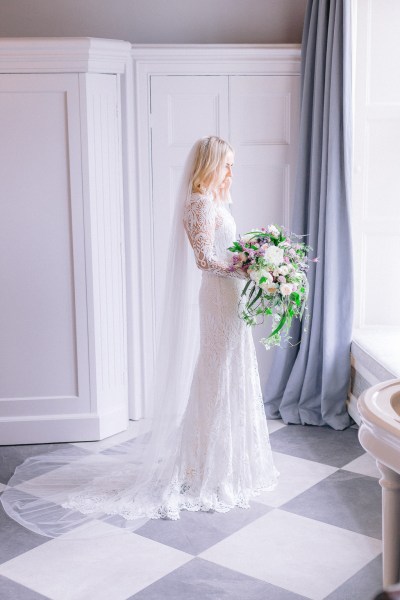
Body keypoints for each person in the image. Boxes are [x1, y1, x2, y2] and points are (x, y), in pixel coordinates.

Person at [0, 136, 278, 536]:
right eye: (227, 164)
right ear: (211, 164)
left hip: (233, 300)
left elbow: (226, 251)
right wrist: (248, 270)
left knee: (234, 371)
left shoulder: (218, 202)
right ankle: (205, 464)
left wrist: (252, 261)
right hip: (218, 299)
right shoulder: (198, 203)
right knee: (215, 376)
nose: (232, 172)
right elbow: (204, 260)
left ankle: (230, 462)